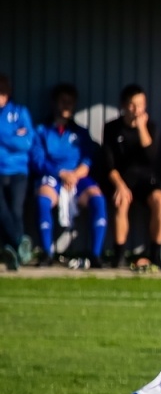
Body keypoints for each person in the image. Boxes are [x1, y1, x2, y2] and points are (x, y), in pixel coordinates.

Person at [30, 83, 107, 266]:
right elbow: (37, 160)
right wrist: (60, 173)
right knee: (43, 200)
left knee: (98, 199)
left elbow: (89, 156)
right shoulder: (42, 130)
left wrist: (78, 173)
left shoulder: (81, 132)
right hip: (53, 175)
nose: (66, 105)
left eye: (70, 102)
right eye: (63, 101)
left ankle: (95, 255)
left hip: (77, 176)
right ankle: (47, 253)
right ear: (54, 103)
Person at [102, 84, 161, 270]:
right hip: (122, 180)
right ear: (124, 106)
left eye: (141, 105)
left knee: (160, 200)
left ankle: (155, 255)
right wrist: (120, 186)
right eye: (132, 105)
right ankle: (119, 256)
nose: (137, 110)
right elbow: (108, 165)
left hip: (147, 180)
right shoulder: (111, 128)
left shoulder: (150, 127)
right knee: (121, 201)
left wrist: (141, 128)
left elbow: (151, 157)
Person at [0, 74, 35, 267]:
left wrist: (2, 135)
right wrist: (13, 134)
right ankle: (18, 245)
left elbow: (26, 143)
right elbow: (17, 140)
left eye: (3, 91)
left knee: (16, 211)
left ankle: (13, 252)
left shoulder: (20, 112)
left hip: (18, 170)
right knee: (2, 211)